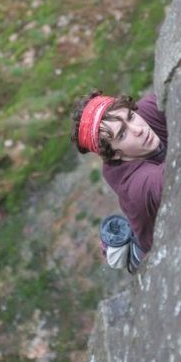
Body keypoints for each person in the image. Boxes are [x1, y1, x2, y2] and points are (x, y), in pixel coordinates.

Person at [71, 90, 167, 271]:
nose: (138, 130)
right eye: (122, 135)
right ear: (114, 153)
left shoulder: (142, 115)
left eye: (131, 116)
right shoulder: (137, 185)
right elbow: (174, 177)